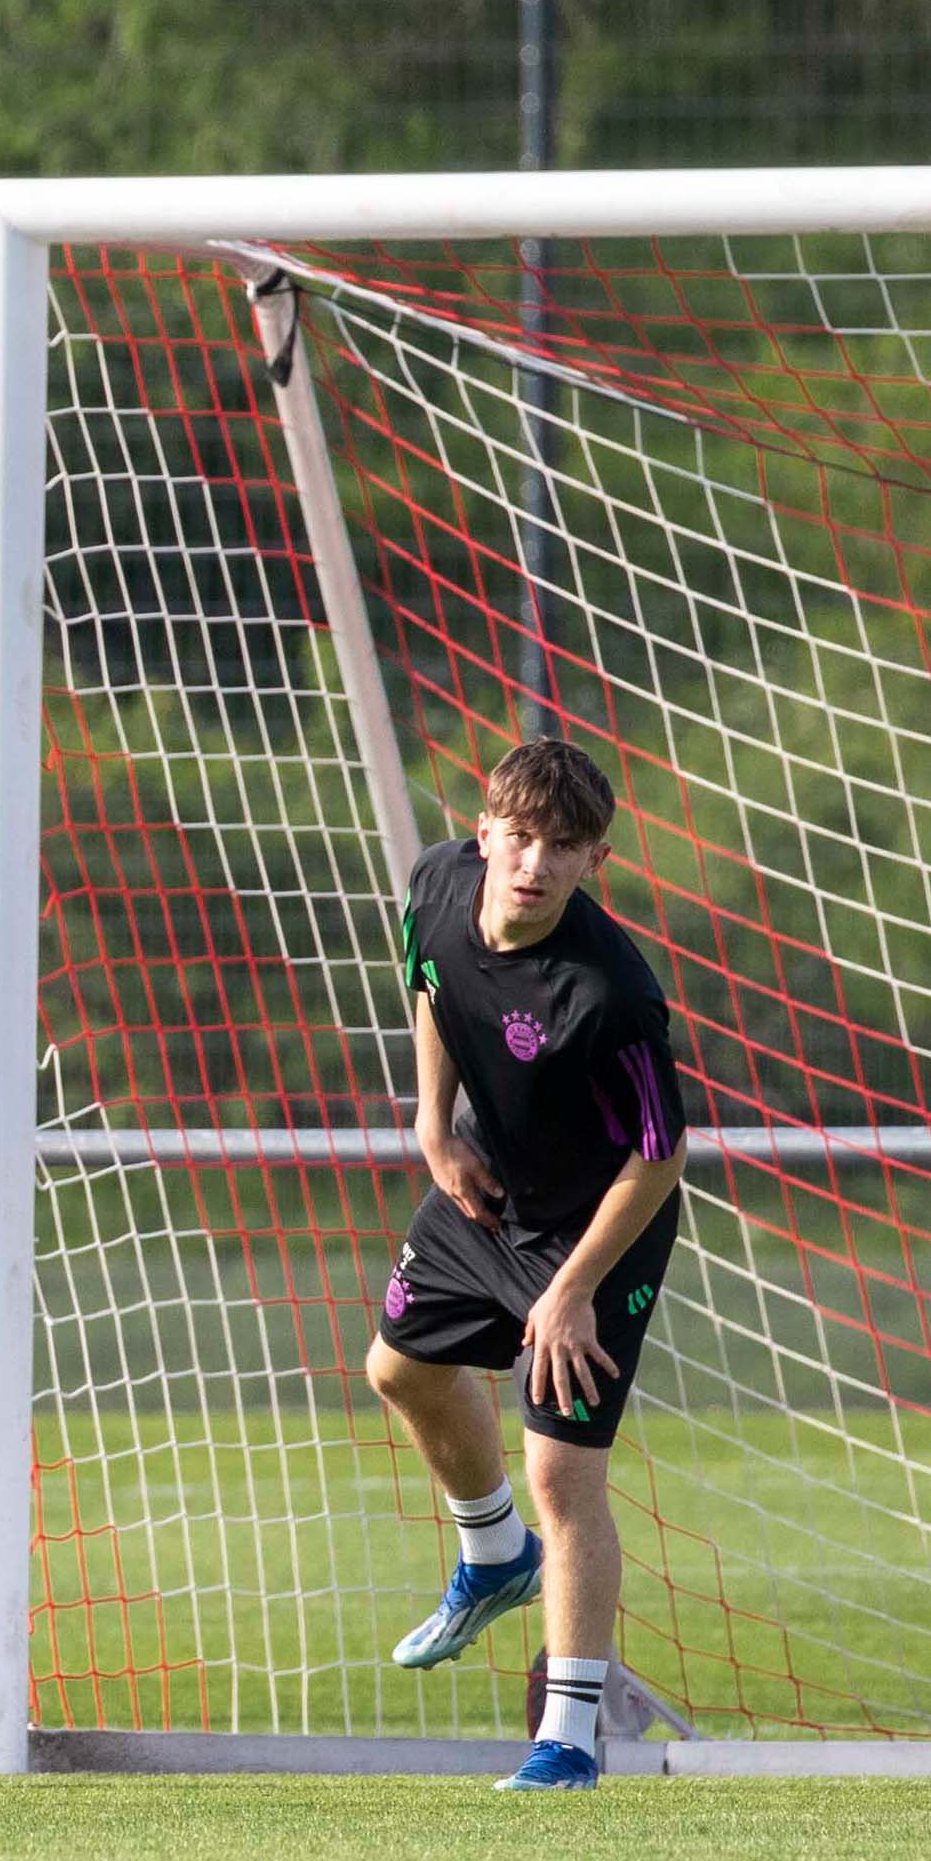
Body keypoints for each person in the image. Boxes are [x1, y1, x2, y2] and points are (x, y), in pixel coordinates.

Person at [356, 738, 690, 1792]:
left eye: (562, 845)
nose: (533, 862)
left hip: (598, 1228)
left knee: (561, 1471)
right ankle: (491, 1552)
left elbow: (659, 1152)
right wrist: (429, 1122)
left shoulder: (609, 993)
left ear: (596, 858)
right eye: (520, 836)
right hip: (487, 1190)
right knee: (396, 1369)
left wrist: (570, 1288)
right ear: (483, 830)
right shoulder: (437, 880)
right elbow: (428, 983)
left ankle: (568, 1738)